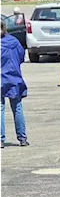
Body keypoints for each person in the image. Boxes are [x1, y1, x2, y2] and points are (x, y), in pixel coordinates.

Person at [0, 19, 29, 148]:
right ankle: (22, 138)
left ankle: (0, 139)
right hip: (14, 79)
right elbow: (21, 57)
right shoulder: (14, 41)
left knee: (0, 109)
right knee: (17, 108)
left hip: (1, 79)